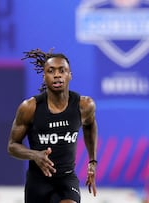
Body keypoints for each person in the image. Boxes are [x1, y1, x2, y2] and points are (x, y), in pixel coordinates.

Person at [7, 48, 98, 203]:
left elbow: (90, 126)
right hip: (38, 182)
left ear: (70, 75)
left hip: (66, 179)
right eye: (51, 71)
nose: (57, 75)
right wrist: (35, 155)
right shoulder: (29, 108)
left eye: (62, 70)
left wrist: (92, 161)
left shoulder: (84, 105)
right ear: (44, 77)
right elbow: (12, 146)